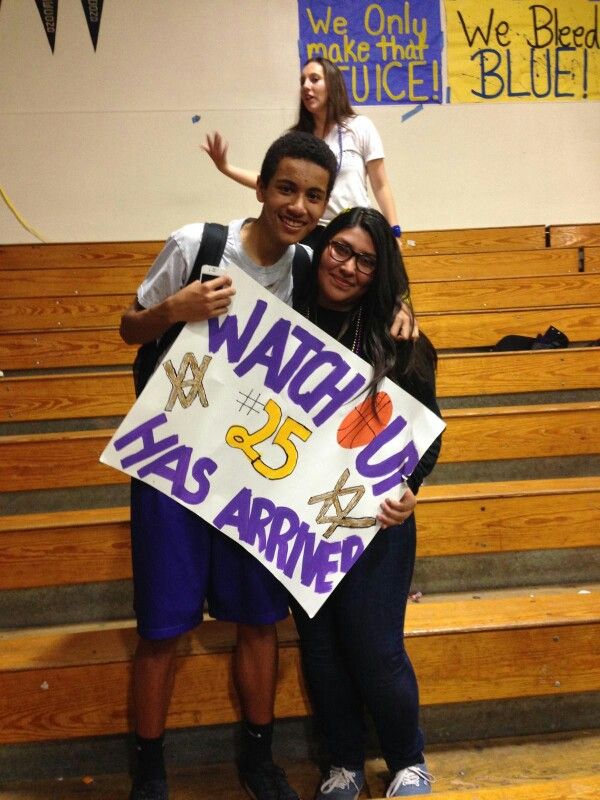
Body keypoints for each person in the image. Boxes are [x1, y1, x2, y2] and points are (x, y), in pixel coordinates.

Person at [120, 131, 338, 800]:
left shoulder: (307, 268)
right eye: (286, 188)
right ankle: (149, 772)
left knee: (258, 621)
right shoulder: (197, 245)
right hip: (175, 461)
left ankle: (258, 759)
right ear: (260, 186)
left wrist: (405, 307)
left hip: (252, 470)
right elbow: (128, 328)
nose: (297, 204)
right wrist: (171, 310)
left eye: (313, 196)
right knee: (161, 628)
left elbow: (369, 294)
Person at [290, 208, 442, 799]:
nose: (348, 266)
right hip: (294, 517)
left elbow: (428, 432)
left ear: (380, 272)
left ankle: (408, 759)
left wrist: (411, 488)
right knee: (322, 649)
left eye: (365, 259)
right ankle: (344, 764)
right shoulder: (285, 313)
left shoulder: (396, 334)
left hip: (377, 520)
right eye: (339, 250)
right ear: (320, 247)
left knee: (376, 648)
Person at [202, 57, 401, 248]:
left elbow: (381, 184)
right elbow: (269, 181)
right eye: (302, 81)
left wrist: (395, 231)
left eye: (314, 79)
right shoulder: (297, 137)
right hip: (313, 233)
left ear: (332, 84)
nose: (306, 86)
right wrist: (225, 168)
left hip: (357, 228)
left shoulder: (359, 126)